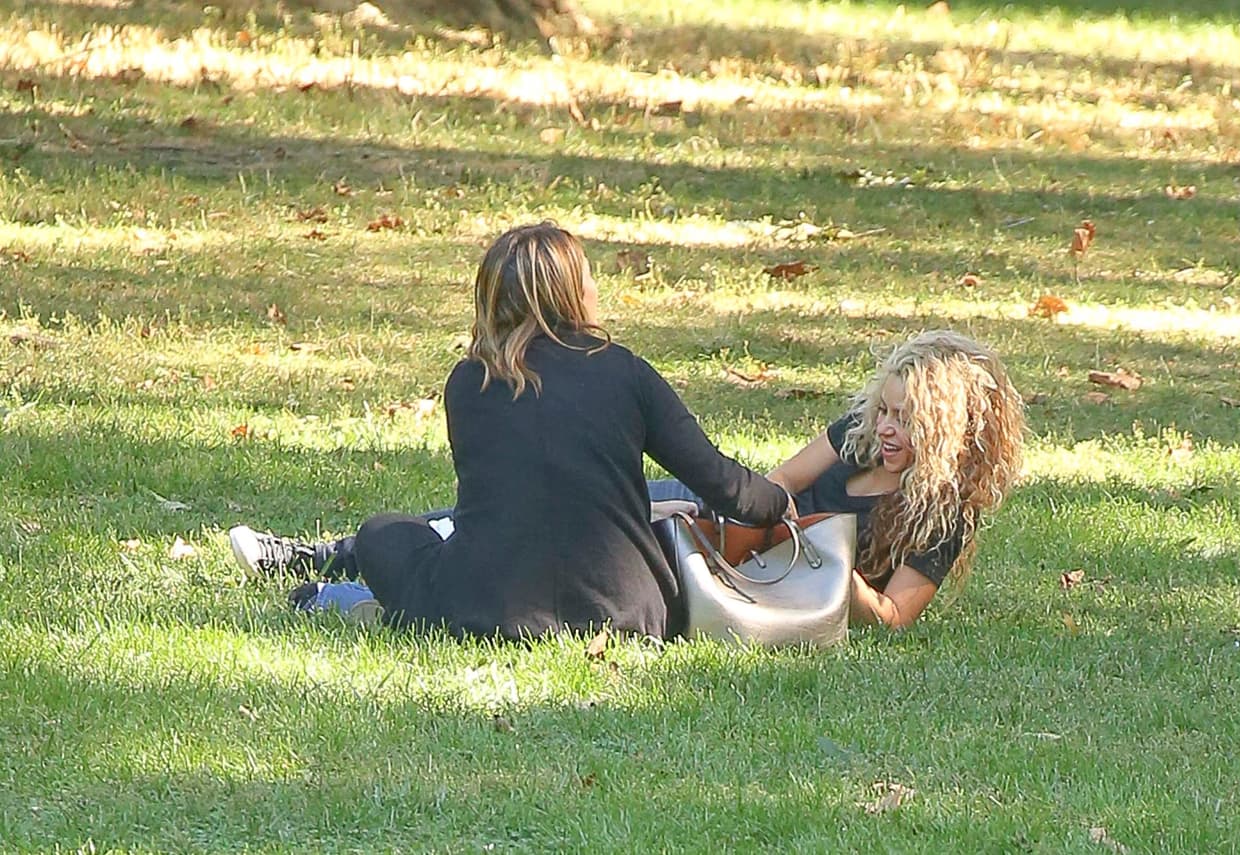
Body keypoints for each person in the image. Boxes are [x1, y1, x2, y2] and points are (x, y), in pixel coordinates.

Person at [230, 221, 792, 640]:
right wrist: (778, 502)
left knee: (385, 533)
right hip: (628, 613)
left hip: (487, 609)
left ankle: (339, 597)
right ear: (570, 294)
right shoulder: (626, 371)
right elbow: (720, 482)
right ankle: (342, 598)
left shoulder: (469, 383)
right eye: (590, 279)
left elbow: (521, 497)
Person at [763, 329, 1025, 628]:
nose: (885, 427)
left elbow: (893, 618)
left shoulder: (945, 515)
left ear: (944, 432)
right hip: (751, 541)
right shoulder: (860, 433)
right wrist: (772, 511)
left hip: (786, 584)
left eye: (904, 419)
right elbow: (782, 478)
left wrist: (827, 561)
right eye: (883, 410)